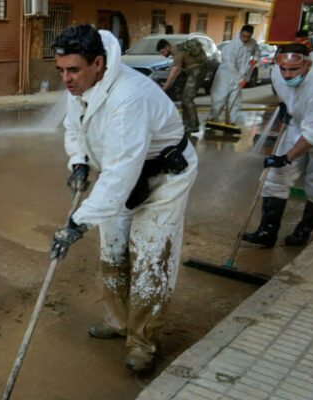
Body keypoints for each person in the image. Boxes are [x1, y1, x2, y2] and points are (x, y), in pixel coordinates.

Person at [49, 24, 198, 373]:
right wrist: (79, 162)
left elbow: (119, 175)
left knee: (149, 258)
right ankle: (117, 322)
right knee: (113, 250)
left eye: (73, 70)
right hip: (123, 174)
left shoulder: (128, 96)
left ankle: (143, 342)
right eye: (61, 71)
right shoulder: (81, 87)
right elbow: (76, 128)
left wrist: (76, 223)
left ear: (98, 63)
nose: (66, 79)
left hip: (163, 179)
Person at [242, 44, 313, 248]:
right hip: (299, 125)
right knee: (275, 178)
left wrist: (286, 158)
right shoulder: (278, 73)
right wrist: (283, 103)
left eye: (293, 70)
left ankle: (303, 232)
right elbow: (281, 89)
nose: (287, 75)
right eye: (283, 69)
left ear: (308, 65)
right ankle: (267, 232)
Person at [207, 25, 258, 126]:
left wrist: (255, 59)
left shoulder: (252, 43)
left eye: (248, 36)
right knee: (219, 99)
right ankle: (212, 119)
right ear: (241, 33)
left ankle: (231, 121)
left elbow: (257, 51)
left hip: (240, 76)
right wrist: (240, 79)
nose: (245, 39)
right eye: (244, 36)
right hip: (225, 76)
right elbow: (231, 65)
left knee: (235, 101)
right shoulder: (232, 46)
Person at [159, 38, 208, 134]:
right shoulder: (178, 50)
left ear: (168, 47)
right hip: (194, 71)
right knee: (184, 98)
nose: (163, 54)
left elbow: (175, 70)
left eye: (163, 51)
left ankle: (193, 125)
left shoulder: (177, 51)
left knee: (187, 98)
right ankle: (187, 123)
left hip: (197, 71)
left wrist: (166, 87)